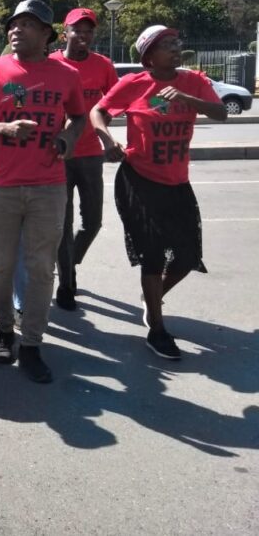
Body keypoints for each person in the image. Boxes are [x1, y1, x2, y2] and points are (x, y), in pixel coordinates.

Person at [0, 0, 85, 384]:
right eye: (14, 24)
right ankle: (3, 331)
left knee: (40, 269)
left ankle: (32, 343)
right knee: (1, 266)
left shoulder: (65, 74)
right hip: (0, 186)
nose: (17, 30)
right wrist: (3, 130)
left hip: (49, 187)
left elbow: (80, 116)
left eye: (28, 25)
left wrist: (66, 138)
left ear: (47, 34)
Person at [91, 25, 226, 360]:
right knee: (151, 257)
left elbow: (221, 113)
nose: (175, 48)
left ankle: (152, 297)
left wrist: (185, 98)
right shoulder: (133, 84)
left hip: (177, 182)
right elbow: (98, 112)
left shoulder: (194, 81)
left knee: (187, 257)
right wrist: (108, 140)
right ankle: (157, 327)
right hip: (138, 181)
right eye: (166, 45)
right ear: (148, 55)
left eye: (176, 42)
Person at [49, 8, 118, 311]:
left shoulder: (103, 66)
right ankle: (66, 283)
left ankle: (69, 262)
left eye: (88, 31)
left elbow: (114, 102)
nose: (83, 36)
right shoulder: (51, 64)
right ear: (65, 32)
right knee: (62, 224)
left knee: (93, 222)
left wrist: (104, 127)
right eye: (77, 30)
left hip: (91, 155)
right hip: (59, 156)